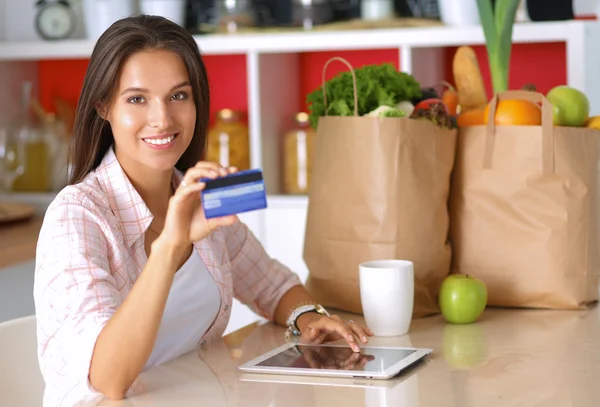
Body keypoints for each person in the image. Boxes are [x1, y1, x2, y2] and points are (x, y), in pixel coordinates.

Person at [33, 14, 373, 407]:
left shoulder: (199, 194)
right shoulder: (76, 217)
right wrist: (172, 245)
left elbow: (273, 286)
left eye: (178, 95)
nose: (162, 119)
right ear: (104, 106)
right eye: (137, 99)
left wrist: (309, 319)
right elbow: (108, 378)